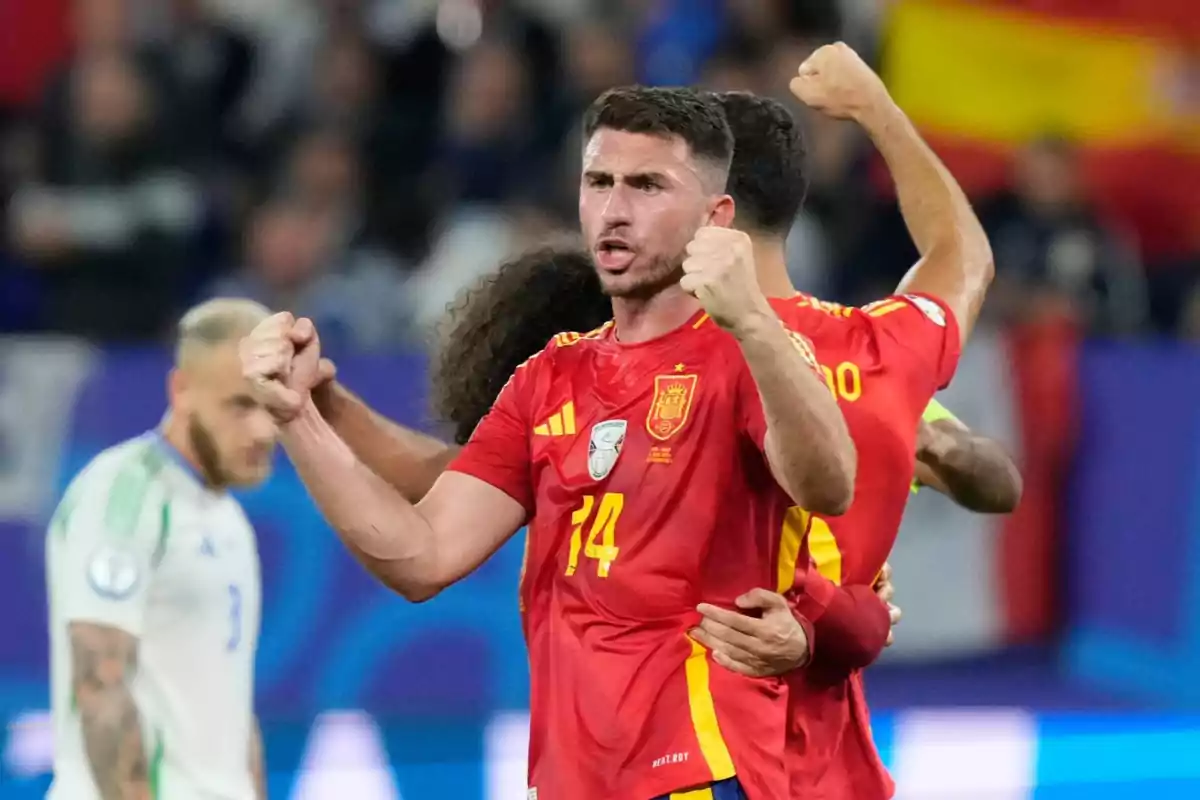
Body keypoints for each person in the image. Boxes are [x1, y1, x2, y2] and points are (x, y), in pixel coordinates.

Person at [243, 87, 857, 800]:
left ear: (716, 217)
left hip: (701, 770)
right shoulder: (548, 377)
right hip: (572, 782)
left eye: (649, 185)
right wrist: (298, 419)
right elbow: (422, 555)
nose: (616, 210)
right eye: (600, 183)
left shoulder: (749, 356)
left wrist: (754, 321)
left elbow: (828, 484)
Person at [46, 298, 276, 800]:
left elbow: (232, 707)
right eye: (240, 404)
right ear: (182, 390)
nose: (264, 430)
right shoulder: (124, 493)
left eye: (272, 404)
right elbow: (100, 683)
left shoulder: (228, 517)